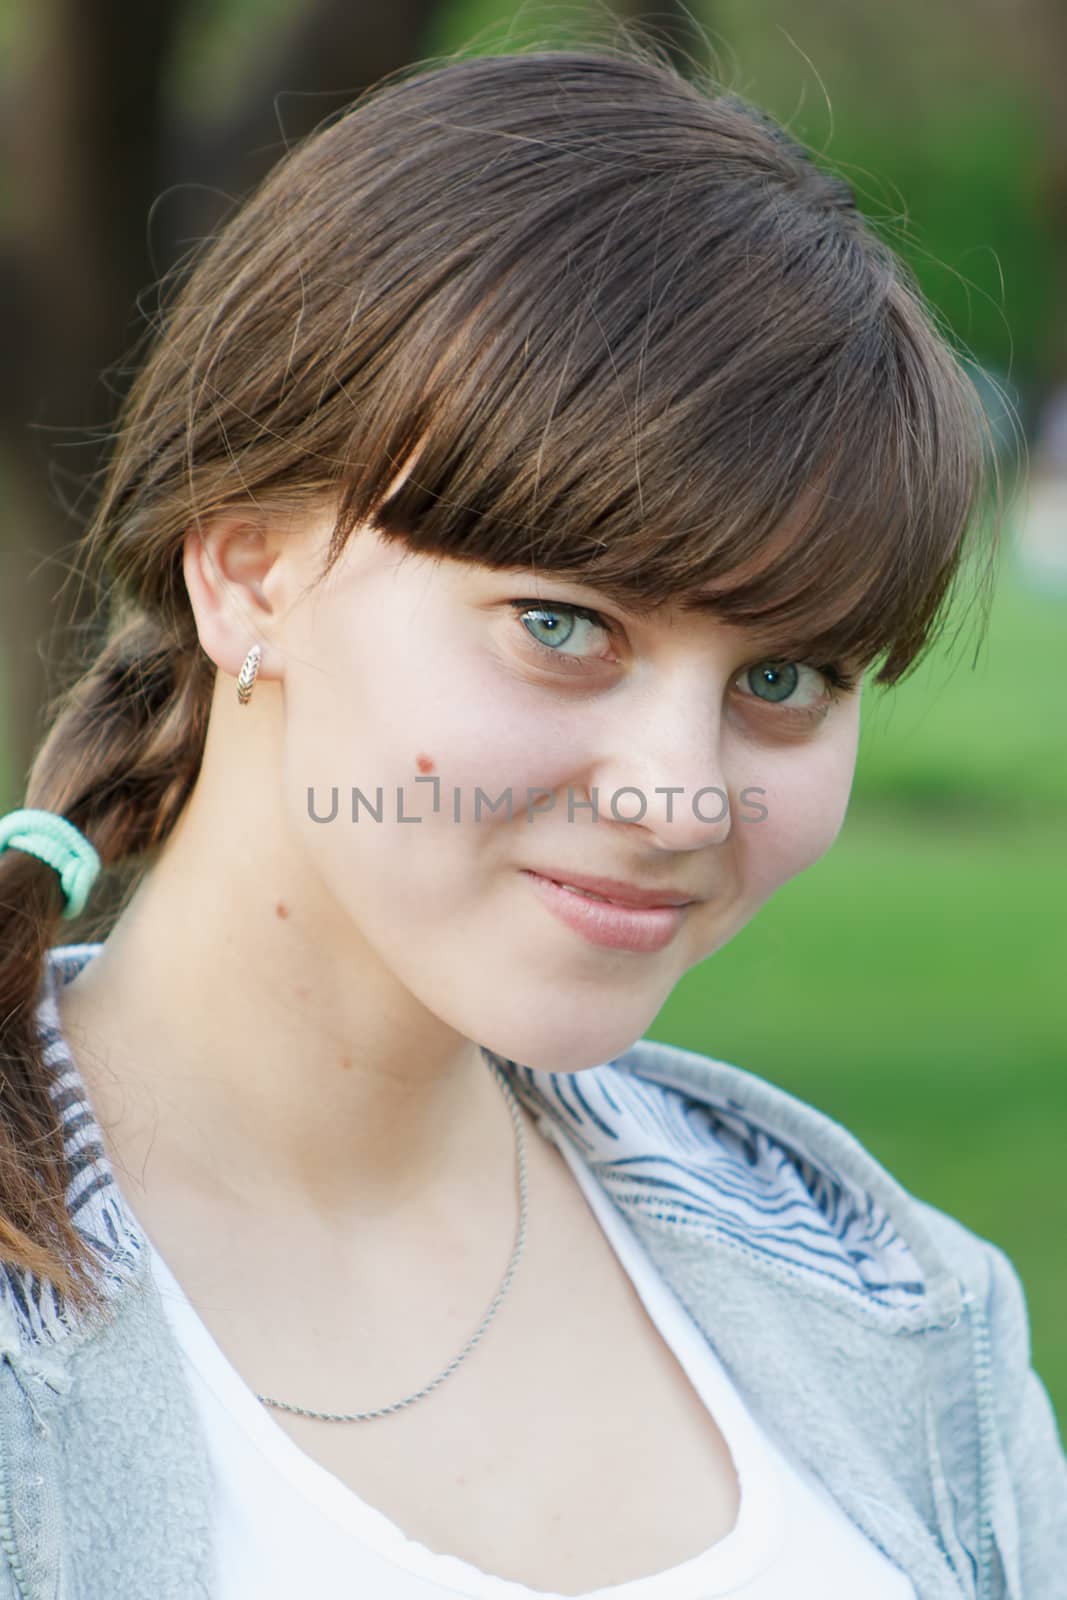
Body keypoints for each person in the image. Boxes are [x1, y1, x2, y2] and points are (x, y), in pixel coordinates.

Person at [0, 41, 1062, 1600]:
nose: (680, 795)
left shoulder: (894, 1299)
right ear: (244, 573)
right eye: (563, 626)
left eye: (782, 674)